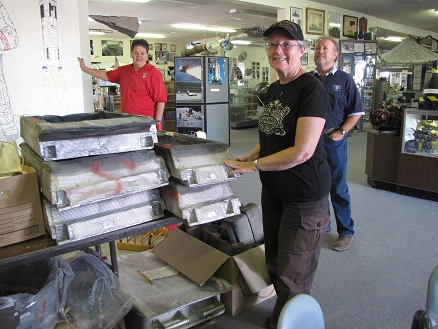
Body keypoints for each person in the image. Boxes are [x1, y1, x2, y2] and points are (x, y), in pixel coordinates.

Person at [225, 20, 331, 329]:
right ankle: (282, 315)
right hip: (274, 191)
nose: (278, 50)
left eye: (286, 44)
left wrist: (253, 167)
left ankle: (289, 323)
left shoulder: (311, 89)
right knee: (273, 260)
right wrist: (251, 155)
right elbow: (274, 131)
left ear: (301, 51)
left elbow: (301, 152)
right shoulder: (274, 89)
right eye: (272, 44)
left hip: (304, 196)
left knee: (293, 272)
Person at [313, 36, 364, 251]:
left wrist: (342, 132)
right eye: (317, 48)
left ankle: (345, 232)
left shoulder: (345, 80)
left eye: (325, 48)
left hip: (333, 140)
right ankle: (322, 225)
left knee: (337, 187)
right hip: (311, 141)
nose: (320, 51)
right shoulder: (308, 79)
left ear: (335, 55)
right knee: (316, 185)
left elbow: (357, 111)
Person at [78, 39, 167, 129]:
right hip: (127, 122)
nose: (139, 56)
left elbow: (161, 100)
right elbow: (105, 75)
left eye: (142, 53)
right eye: (136, 53)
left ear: (147, 55)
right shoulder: (124, 71)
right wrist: (85, 69)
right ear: (131, 54)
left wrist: (157, 122)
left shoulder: (154, 73)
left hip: (146, 124)